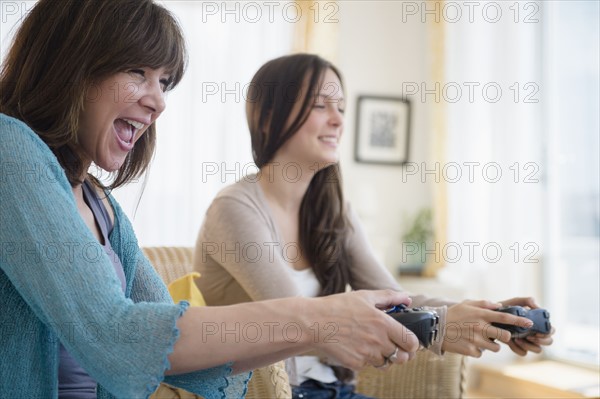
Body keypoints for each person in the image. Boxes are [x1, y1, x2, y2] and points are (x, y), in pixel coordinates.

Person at [0, 2, 423, 398]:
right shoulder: (9, 148)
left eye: (164, 81)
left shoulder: (99, 203)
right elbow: (118, 335)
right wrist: (324, 319)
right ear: (69, 65)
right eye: (136, 71)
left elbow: (169, 345)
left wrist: (320, 328)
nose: (159, 101)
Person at [193, 53, 555, 399]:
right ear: (268, 118)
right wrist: (441, 325)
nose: (337, 120)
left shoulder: (334, 211)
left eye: (341, 108)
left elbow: (395, 298)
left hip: (331, 389)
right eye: (320, 105)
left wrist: (490, 314)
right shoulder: (235, 209)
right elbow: (301, 322)